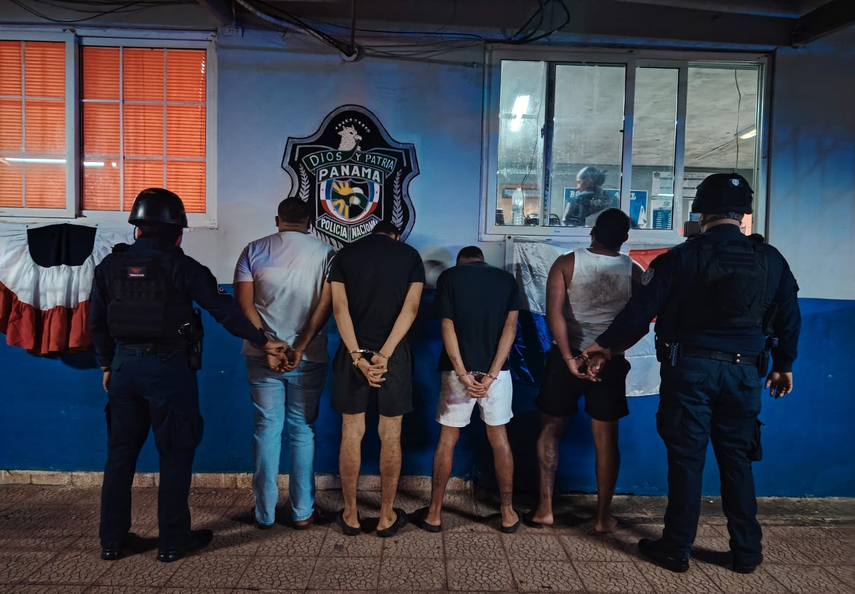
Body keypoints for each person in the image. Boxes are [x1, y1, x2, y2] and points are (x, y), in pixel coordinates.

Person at [583, 174, 800, 574]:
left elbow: (640, 312)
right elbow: (789, 318)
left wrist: (605, 346)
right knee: (737, 461)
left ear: (701, 212)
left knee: (687, 460)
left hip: (691, 372)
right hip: (745, 374)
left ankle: (677, 547)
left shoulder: (681, 258)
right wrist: (784, 364)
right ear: (743, 214)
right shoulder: (772, 260)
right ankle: (746, 553)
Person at [89, 188, 287, 563]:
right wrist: (264, 341)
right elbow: (224, 311)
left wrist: (105, 365)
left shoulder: (109, 267)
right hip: (168, 372)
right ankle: (173, 540)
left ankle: (112, 541)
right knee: (176, 454)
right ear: (178, 233)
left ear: (137, 230)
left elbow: (96, 323)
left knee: (119, 456)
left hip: (123, 370)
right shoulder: (186, 268)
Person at [528, 208, 644, 533]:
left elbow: (554, 316)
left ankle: (544, 510)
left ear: (592, 232)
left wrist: (568, 358)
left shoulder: (566, 263)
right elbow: (642, 325)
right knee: (606, 440)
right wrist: (605, 352)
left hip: (566, 358)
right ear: (624, 238)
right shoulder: (633, 270)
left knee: (550, 429)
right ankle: (603, 518)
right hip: (609, 361)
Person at [233, 197, 335, 530]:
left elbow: (243, 305)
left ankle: (264, 514)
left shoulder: (253, 250)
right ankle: (302, 512)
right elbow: (325, 306)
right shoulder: (326, 254)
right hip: (308, 355)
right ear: (310, 221)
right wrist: (300, 347)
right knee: (302, 431)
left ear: (278, 219)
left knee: (266, 430)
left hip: (262, 356)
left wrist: (268, 345)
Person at [327, 221, 425, 537]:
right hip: (392, 355)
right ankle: (385, 516)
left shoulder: (344, 255)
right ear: (396, 235)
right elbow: (410, 309)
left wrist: (357, 356)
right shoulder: (410, 256)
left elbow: (339, 308)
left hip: (351, 352)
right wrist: (384, 354)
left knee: (351, 432)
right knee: (390, 434)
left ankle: (351, 514)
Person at [415, 246, 521, 533]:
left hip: (456, 372)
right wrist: (491, 375)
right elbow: (510, 330)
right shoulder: (506, 280)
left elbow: (446, 327)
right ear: (482, 260)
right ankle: (508, 513)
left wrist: (462, 374)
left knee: (447, 439)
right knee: (500, 439)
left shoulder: (450, 278)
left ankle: (435, 513)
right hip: (497, 375)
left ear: (461, 262)